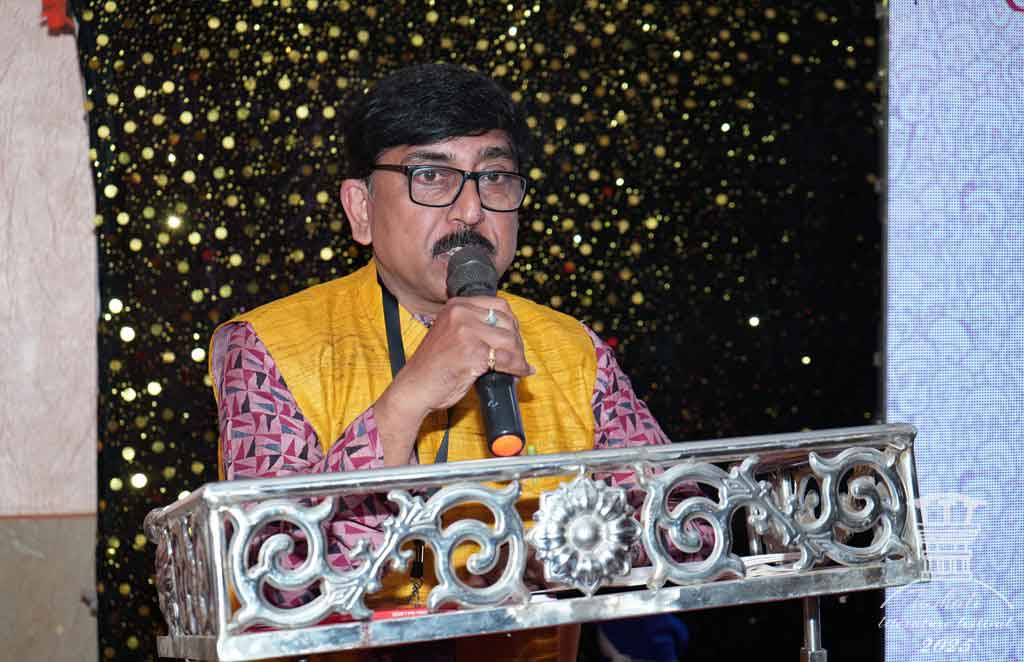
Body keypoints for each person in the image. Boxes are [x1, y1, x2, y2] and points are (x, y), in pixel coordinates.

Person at [209, 63, 712, 662]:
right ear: (361, 209)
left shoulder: (572, 348)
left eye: (494, 177)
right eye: (431, 175)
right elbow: (272, 579)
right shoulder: (267, 345)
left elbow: (688, 532)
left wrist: (565, 548)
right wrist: (405, 403)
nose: (471, 210)